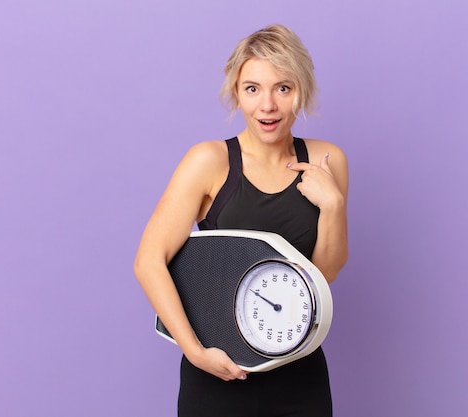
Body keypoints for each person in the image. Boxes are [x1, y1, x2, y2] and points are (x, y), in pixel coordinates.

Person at [134, 24, 348, 417]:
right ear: (236, 92)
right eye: (252, 89)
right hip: (220, 371)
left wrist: (332, 205)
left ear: (301, 90)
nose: (267, 105)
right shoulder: (209, 161)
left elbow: (325, 275)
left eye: (283, 88)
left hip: (299, 373)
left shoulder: (325, 160)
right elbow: (149, 260)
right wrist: (195, 353)